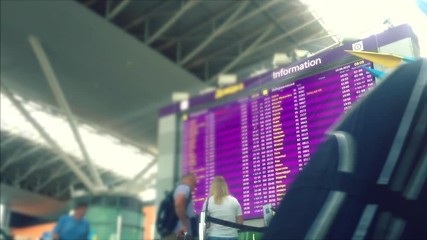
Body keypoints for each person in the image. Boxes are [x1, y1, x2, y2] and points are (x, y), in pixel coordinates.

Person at [202, 176, 243, 240]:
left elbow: (206, 225)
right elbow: (240, 224)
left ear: (213, 187)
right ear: (225, 186)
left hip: (213, 236)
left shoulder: (208, 202)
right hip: (232, 236)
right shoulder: (234, 201)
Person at [165, 173, 198, 240]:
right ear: (190, 180)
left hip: (177, 233)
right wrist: (185, 224)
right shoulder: (184, 187)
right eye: (194, 183)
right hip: (181, 234)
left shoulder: (179, 189)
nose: (194, 187)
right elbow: (178, 203)